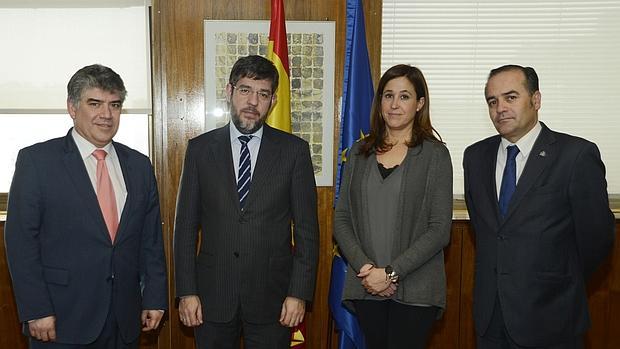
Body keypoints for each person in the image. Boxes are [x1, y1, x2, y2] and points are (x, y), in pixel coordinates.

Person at [4, 64, 168, 348]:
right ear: (72, 107)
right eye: (95, 103)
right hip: (60, 319)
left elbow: (150, 241)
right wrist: (36, 309)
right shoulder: (37, 161)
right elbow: (21, 243)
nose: (106, 115)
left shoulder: (139, 166)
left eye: (114, 105)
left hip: (124, 319)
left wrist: (154, 296)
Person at [463, 64, 615, 348]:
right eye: (492, 101)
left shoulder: (575, 155)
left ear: (536, 100)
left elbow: (597, 239)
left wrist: (555, 278)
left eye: (511, 97)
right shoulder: (475, 157)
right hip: (490, 318)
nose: (500, 109)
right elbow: (487, 233)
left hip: (552, 317)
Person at [173, 55, 319, 349]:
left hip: (273, 299)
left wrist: (298, 293)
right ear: (229, 92)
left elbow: (307, 231)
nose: (253, 101)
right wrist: (186, 291)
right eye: (245, 90)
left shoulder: (294, 152)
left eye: (263, 94)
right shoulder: (200, 150)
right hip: (212, 297)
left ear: (273, 100)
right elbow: (186, 227)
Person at [334, 64, 453, 349]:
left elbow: (439, 231)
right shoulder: (359, 153)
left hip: (416, 288)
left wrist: (390, 273)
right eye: (388, 96)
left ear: (420, 103)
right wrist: (368, 270)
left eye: (404, 96)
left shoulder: (435, 155)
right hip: (367, 287)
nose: (395, 105)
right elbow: (342, 218)